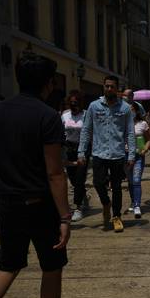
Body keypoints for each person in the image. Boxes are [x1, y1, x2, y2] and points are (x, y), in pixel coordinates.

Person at [0, 53, 71, 298]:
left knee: (8, 267)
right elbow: (54, 172)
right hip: (40, 205)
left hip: (8, 203)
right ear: (48, 83)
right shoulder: (48, 116)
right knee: (51, 267)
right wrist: (64, 216)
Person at [78, 76, 136, 232]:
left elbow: (130, 133)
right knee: (97, 183)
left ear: (117, 89)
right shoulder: (94, 106)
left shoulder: (125, 108)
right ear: (103, 87)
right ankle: (105, 203)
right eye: (106, 86)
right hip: (98, 153)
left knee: (117, 188)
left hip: (117, 154)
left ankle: (116, 216)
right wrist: (81, 152)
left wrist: (131, 155)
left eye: (112, 86)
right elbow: (86, 130)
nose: (109, 89)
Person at [61, 90, 90, 222]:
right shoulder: (65, 115)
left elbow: (91, 132)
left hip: (82, 149)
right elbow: (61, 132)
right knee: (73, 180)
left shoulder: (86, 115)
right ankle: (84, 198)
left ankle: (78, 207)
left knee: (80, 178)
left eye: (76, 102)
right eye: (71, 103)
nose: (74, 105)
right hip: (69, 149)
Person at [126, 101, 150, 218]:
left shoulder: (143, 124)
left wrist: (144, 149)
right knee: (130, 181)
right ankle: (132, 201)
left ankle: (137, 205)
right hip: (125, 156)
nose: (130, 112)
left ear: (136, 111)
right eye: (128, 109)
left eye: (132, 109)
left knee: (136, 180)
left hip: (138, 156)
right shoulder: (122, 124)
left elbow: (148, 140)